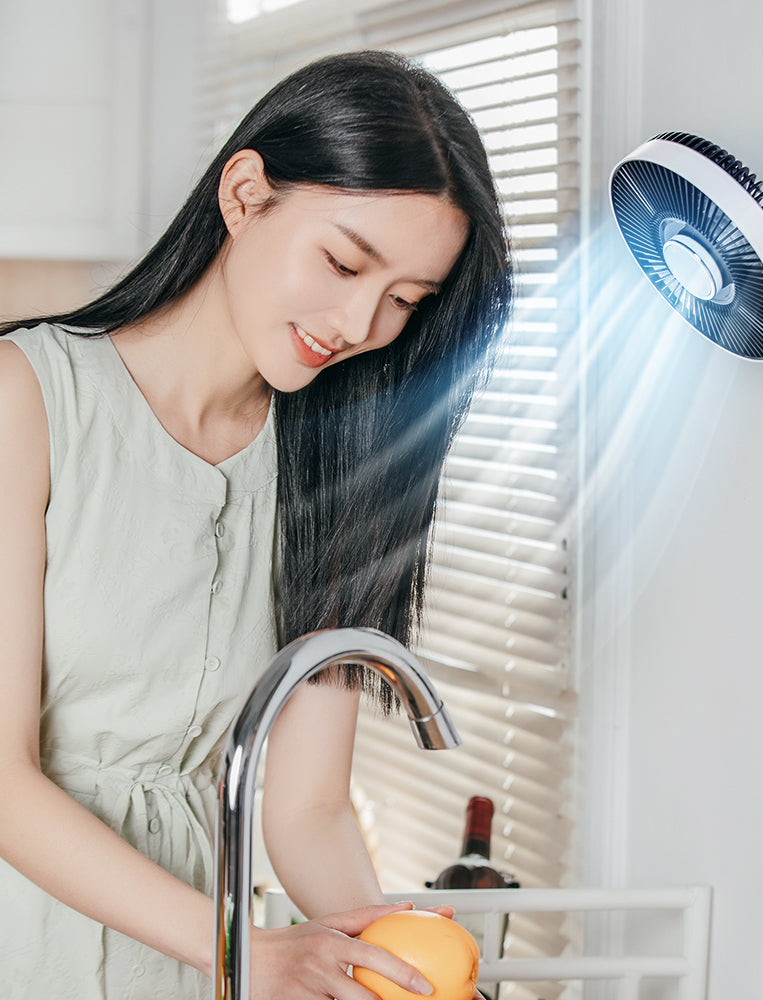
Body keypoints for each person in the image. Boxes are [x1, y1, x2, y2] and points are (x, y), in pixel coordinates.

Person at [0, 49, 511, 999]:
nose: (361, 321)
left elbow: (308, 809)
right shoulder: (27, 400)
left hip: (198, 960)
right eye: (344, 261)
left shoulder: (338, 465)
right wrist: (239, 948)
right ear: (246, 194)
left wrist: (388, 969)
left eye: (405, 300)